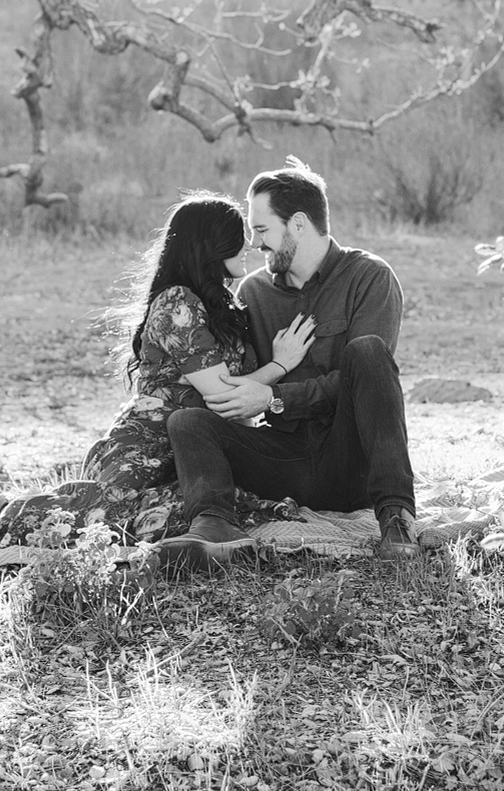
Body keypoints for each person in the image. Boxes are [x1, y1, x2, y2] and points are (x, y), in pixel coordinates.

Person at [0, 192, 310, 552]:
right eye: (238, 238)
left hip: (195, 450)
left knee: (226, 504)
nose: (249, 245)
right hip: (148, 447)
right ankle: (9, 517)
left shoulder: (224, 304)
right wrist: (280, 365)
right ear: (211, 244)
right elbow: (221, 392)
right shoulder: (177, 302)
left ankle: (15, 516)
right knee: (119, 521)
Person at [157, 157, 421, 568]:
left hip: (350, 456)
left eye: (262, 230)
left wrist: (275, 398)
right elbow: (240, 385)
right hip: (284, 461)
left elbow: (364, 381)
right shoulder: (253, 292)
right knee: (187, 422)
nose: (255, 244)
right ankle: (214, 526)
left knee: (367, 351)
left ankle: (396, 517)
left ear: (298, 224)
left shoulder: (369, 277)